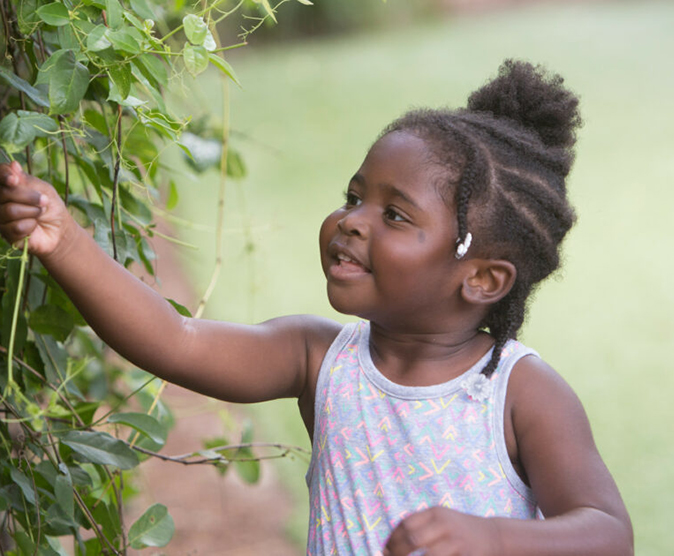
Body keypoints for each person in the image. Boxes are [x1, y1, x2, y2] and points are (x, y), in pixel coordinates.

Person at [0, 59, 633, 556]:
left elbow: (606, 533)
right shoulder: (318, 358)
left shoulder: (521, 393)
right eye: (353, 197)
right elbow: (175, 341)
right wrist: (67, 241)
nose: (351, 222)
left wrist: (492, 540)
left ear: (483, 279)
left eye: (393, 215)